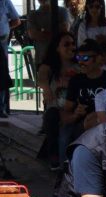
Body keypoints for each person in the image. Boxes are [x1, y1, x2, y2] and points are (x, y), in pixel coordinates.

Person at [59, 39, 106, 165]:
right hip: (80, 123)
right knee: (64, 136)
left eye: (86, 58)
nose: (81, 62)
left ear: (99, 59)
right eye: (78, 58)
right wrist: (75, 114)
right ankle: (65, 170)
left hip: (104, 121)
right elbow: (65, 114)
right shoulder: (76, 80)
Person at [37, 32, 78, 169]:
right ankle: (53, 155)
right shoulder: (49, 66)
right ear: (57, 48)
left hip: (74, 107)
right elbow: (41, 77)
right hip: (55, 108)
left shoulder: (80, 66)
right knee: (51, 116)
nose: (71, 47)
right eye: (66, 44)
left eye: (73, 44)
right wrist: (46, 88)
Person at [27, 0, 70, 66]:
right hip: (42, 58)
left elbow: (64, 29)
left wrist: (43, 31)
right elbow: (33, 34)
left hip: (61, 58)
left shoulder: (63, 11)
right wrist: (55, 32)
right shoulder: (33, 14)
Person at [0, 0, 20, 117]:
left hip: (1, 41)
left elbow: (16, 20)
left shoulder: (4, 1)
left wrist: (5, 29)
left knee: (2, 74)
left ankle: (2, 107)